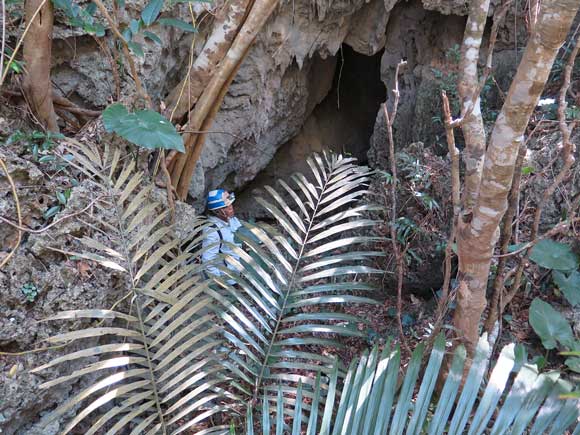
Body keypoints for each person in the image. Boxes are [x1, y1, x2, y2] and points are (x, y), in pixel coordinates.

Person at [201, 188, 243, 280]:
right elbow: (208, 262)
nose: (230, 207)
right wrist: (221, 282)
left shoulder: (231, 219)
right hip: (229, 280)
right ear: (216, 211)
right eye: (225, 207)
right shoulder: (212, 231)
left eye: (230, 204)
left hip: (240, 273)